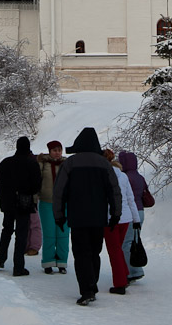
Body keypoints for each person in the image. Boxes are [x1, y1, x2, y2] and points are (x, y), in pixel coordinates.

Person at [52, 127, 121, 306]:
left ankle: (87, 289)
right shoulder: (105, 164)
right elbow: (114, 191)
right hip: (98, 218)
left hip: (78, 217)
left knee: (81, 253)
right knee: (94, 252)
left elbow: (59, 192)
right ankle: (92, 283)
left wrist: (58, 216)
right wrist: (115, 214)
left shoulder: (70, 164)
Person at [0, 136, 41, 276]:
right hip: (24, 202)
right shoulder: (31, 164)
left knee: (7, 229)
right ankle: (18, 267)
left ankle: (0, 259)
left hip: (8, 202)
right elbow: (36, 185)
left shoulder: (5, 162)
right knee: (21, 234)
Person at [102, 149, 138, 295]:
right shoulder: (123, 176)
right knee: (119, 248)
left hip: (110, 217)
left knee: (114, 250)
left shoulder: (103, 175)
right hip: (126, 217)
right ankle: (124, 275)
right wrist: (136, 219)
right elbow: (130, 198)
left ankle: (120, 282)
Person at [37, 140, 69, 274]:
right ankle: (48, 262)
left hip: (64, 203)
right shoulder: (43, 164)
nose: (57, 153)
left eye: (59, 150)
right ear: (49, 151)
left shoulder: (66, 164)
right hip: (46, 202)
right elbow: (36, 181)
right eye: (55, 150)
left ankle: (62, 262)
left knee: (63, 234)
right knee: (49, 234)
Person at [118, 150, 151, 282]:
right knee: (135, 240)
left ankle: (132, 271)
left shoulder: (125, 177)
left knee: (126, 243)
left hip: (131, 212)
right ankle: (136, 268)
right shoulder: (139, 177)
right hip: (141, 211)